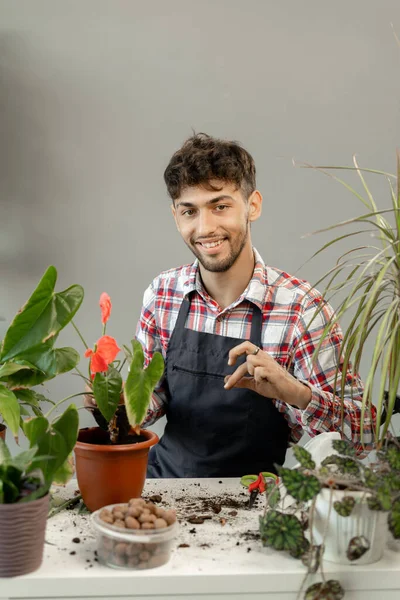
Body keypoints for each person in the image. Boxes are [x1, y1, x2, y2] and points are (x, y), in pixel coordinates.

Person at [144, 134, 375, 478]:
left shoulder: (300, 308)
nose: (205, 227)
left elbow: (364, 434)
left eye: (220, 206)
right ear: (176, 216)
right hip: (162, 486)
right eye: (190, 211)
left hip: (255, 501)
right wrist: (113, 402)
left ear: (253, 205)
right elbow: (153, 398)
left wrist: (295, 393)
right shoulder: (163, 293)